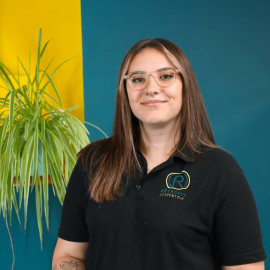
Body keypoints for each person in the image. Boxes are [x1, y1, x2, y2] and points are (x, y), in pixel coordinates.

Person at [52, 38, 267, 270]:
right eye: (138, 79)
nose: (151, 88)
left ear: (186, 85)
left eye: (165, 76)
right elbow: (67, 255)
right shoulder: (92, 161)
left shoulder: (220, 170)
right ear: (125, 90)